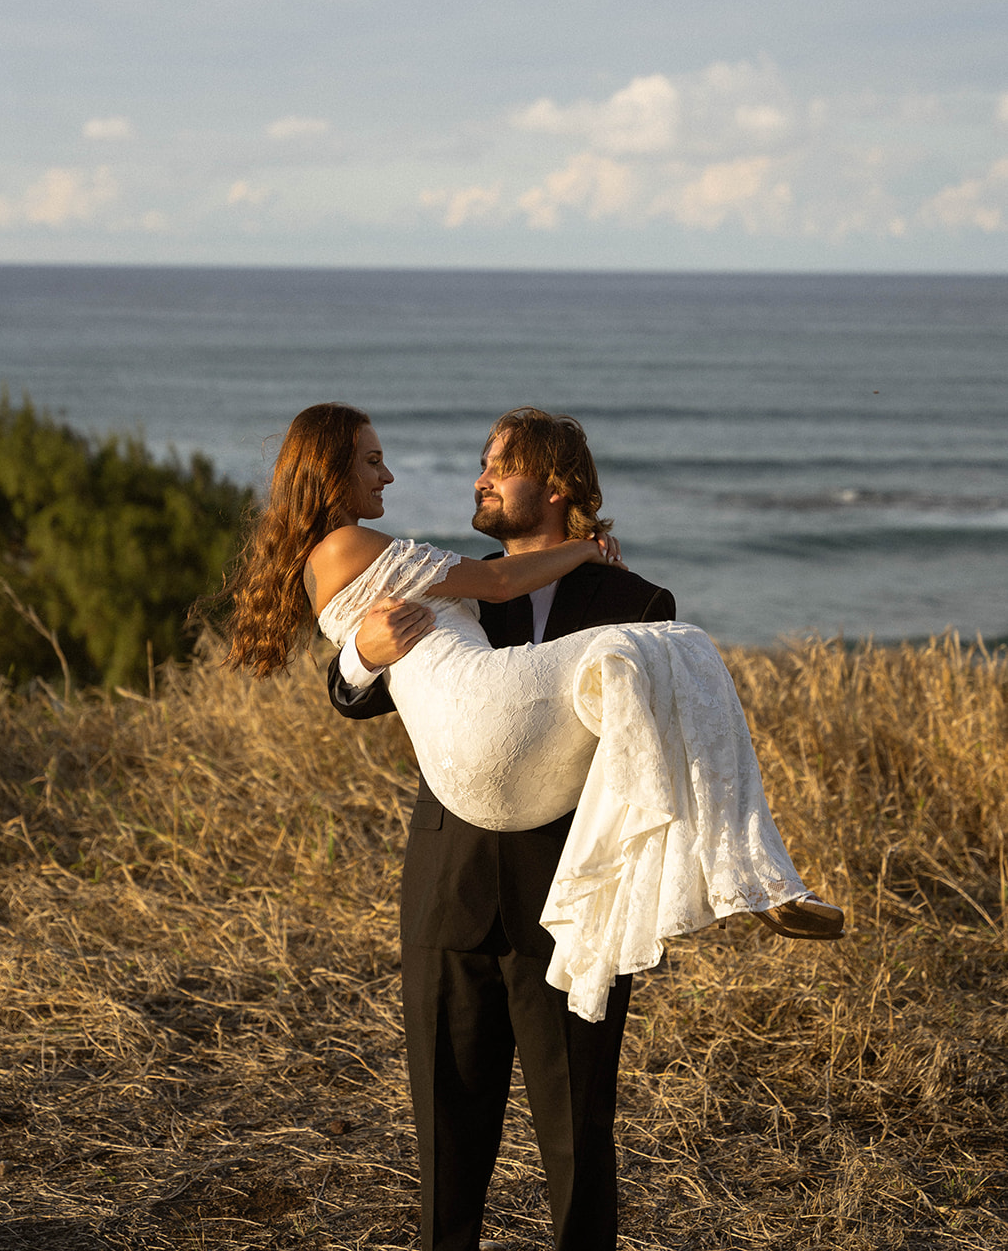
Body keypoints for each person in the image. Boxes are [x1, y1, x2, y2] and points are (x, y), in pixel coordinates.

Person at [224, 402, 842, 1251]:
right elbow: (350, 695)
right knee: (447, 1129)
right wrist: (363, 652)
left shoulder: (636, 600)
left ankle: (748, 873)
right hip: (452, 887)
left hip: (573, 894)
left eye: (498, 464)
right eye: (480, 461)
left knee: (578, 1132)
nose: (476, 477)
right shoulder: (454, 578)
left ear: (554, 487)